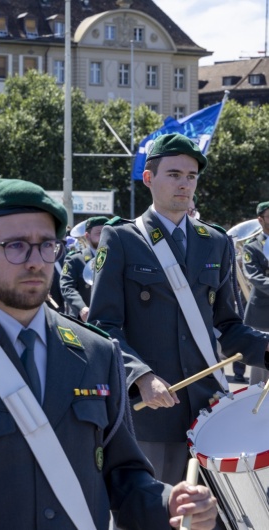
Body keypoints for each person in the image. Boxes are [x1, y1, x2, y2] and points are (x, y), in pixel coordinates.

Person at [0, 178, 218, 529]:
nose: (35, 262)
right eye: (15, 246)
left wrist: (168, 503)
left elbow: (124, 475)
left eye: (46, 246)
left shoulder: (97, 352)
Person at [89, 133, 269, 484]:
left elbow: (227, 325)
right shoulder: (122, 239)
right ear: (149, 178)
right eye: (174, 174)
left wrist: (264, 348)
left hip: (210, 410)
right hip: (152, 414)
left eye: (191, 176)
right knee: (154, 515)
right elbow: (103, 326)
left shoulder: (215, 242)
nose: (184, 184)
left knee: (213, 517)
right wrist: (140, 376)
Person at [240, 201, 269, 385]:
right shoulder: (251, 246)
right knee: (261, 365)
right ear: (260, 220)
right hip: (262, 313)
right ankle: (256, 407)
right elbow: (254, 276)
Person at [60, 216, 108, 321]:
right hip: (83, 320)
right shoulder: (75, 259)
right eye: (99, 233)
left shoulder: (117, 258)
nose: (104, 237)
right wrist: (81, 308)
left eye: (107, 233)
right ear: (87, 236)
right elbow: (67, 287)